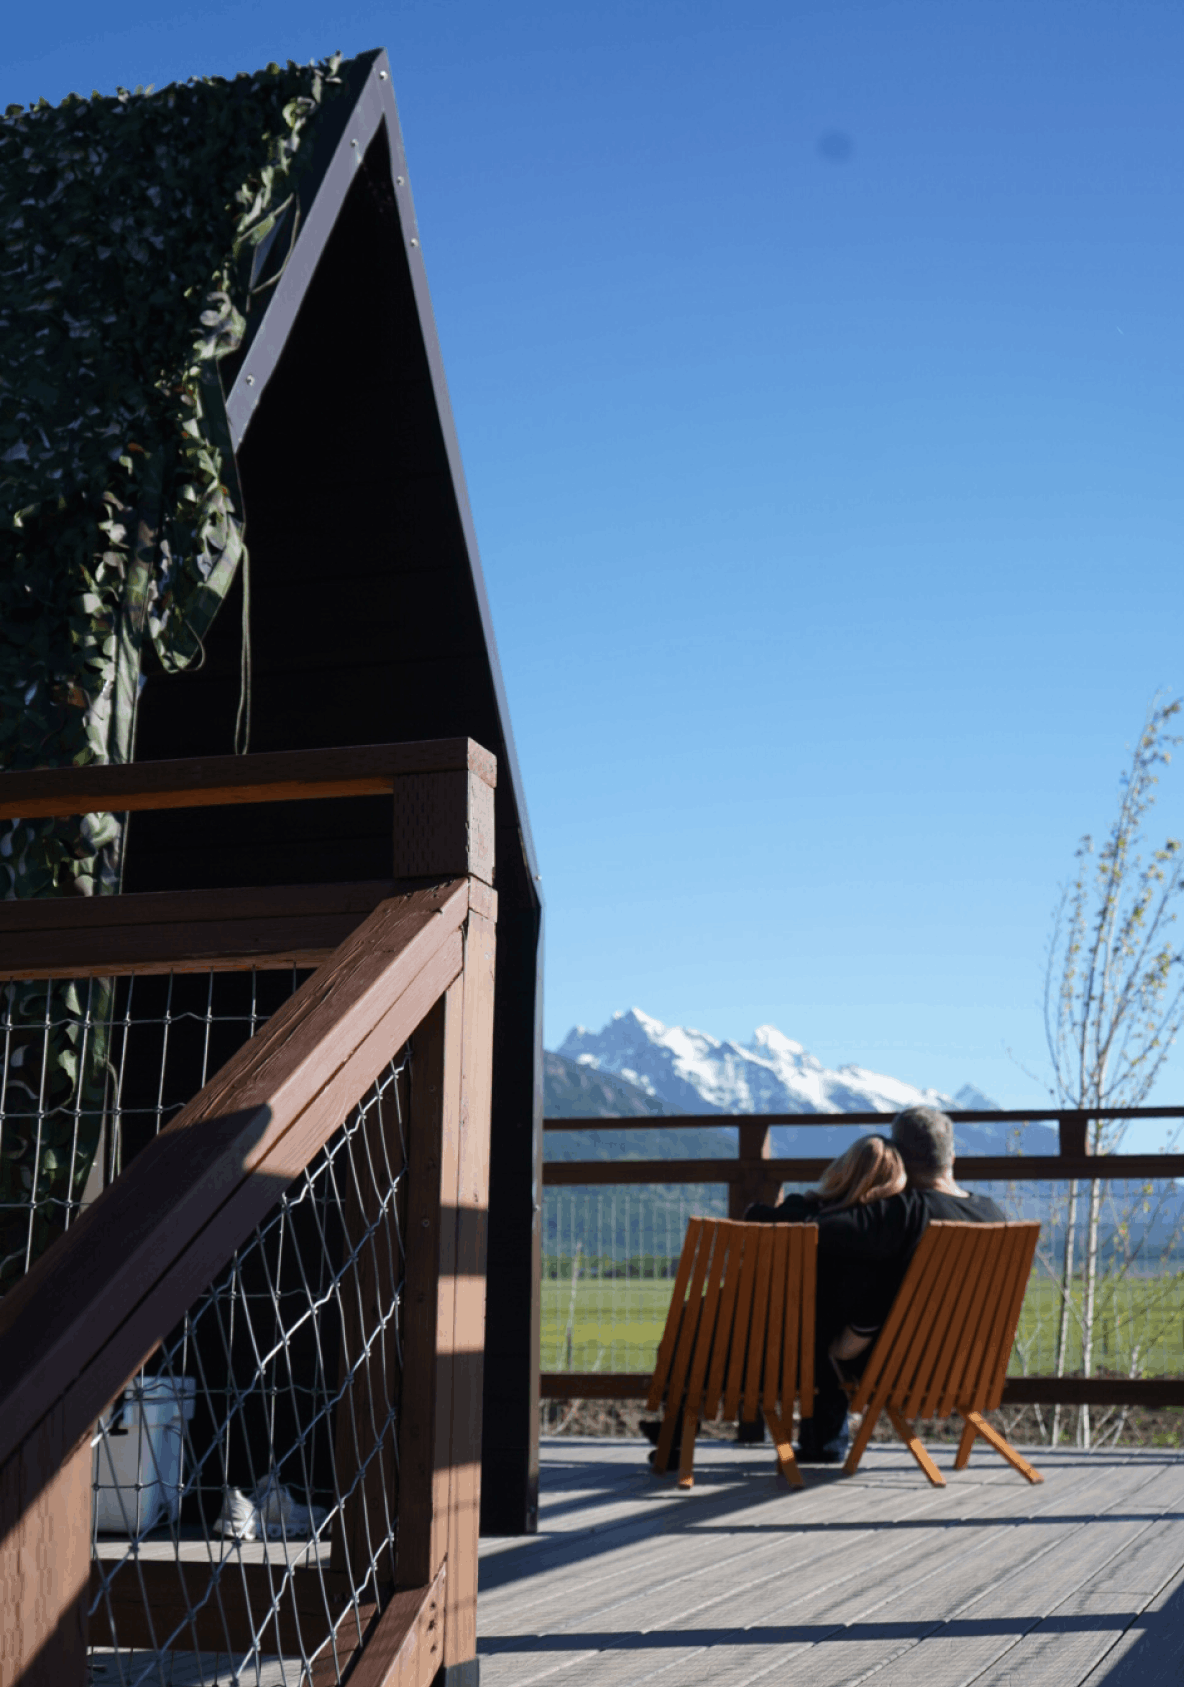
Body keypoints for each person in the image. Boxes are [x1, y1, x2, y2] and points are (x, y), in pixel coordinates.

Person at [641, 1134, 906, 1461]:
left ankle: (676, 1431)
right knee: (824, 1345)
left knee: (689, 1321)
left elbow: (756, 1218)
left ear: (842, 1170)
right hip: (821, 1366)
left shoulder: (796, 1213)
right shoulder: (882, 1234)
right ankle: (820, 1445)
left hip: (749, 1359)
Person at [775, 1104, 1005, 1463]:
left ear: (897, 1157)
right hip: (969, 1367)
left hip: (900, 1367)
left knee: (816, 1307)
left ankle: (824, 1441)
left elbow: (813, 1229)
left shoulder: (906, 1212)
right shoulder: (993, 1214)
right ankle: (823, 1441)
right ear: (952, 1156)